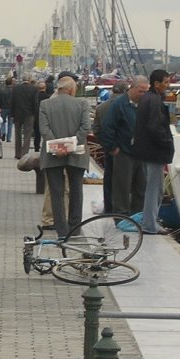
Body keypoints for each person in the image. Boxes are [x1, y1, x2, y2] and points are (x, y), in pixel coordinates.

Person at [38, 76, 91, 238]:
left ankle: (61, 231)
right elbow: (85, 128)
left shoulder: (45, 104)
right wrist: (70, 146)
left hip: (52, 154)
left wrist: (57, 147)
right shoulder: (82, 104)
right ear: (72, 89)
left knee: (56, 192)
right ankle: (75, 229)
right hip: (77, 154)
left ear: (58, 89)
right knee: (76, 190)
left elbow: (44, 130)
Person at [100, 76, 148, 217]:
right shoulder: (119, 104)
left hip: (141, 152)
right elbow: (107, 127)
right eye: (141, 91)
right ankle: (121, 216)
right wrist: (112, 148)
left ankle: (138, 215)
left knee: (141, 186)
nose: (144, 95)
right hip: (124, 152)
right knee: (122, 186)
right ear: (131, 88)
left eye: (146, 92)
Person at [132, 69, 173, 235]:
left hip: (146, 150)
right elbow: (155, 126)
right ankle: (150, 224)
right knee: (154, 188)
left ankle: (150, 221)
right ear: (156, 84)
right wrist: (167, 142)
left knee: (155, 187)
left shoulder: (146, 99)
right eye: (166, 82)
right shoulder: (154, 100)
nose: (168, 85)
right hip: (154, 150)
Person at [93, 81, 129, 213]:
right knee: (124, 180)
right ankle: (122, 209)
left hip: (108, 148)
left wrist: (105, 144)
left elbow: (96, 130)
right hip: (125, 149)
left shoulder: (101, 107)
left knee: (108, 178)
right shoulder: (127, 106)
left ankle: (108, 207)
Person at [10, 75, 38, 159]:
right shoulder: (33, 89)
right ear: (29, 80)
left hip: (17, 114)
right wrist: (35, 114)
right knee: (27, 134)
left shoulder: (15, 88)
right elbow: (35, 103)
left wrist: (12, 114)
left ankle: (17, 153)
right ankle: (24, 153)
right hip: (29, 114)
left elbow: (12, 102)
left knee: (17, 134)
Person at [33, 79, 48, 152]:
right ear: (45, 88)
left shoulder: (35, 96)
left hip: (36, 117)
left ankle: (36, 147)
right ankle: (45, 148)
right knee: (46, 133)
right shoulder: (48, 97)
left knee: (37, 134)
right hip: (46, 118)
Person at [0, 76, 13, 141]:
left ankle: (3, 133)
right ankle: (8, 138)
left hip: (4, 108)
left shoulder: (2, 90)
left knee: (2, 121)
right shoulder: (14, 90)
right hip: (11, 108)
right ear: (11, 83)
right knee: (10, 123)